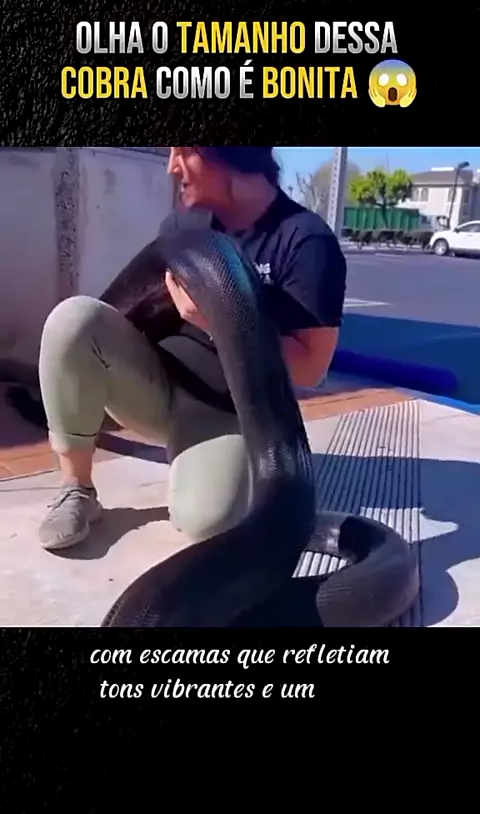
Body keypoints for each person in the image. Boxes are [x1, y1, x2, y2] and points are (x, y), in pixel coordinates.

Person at [37, 146, 347, 551]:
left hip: (228, 411)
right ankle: (76, 487)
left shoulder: (304, 241)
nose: (171, 167)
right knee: (74, 319)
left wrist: (215, 321)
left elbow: (311, 367)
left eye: (182, 151)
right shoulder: (183, 228)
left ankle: (210, 462)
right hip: (158, 388)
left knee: (208, 523)